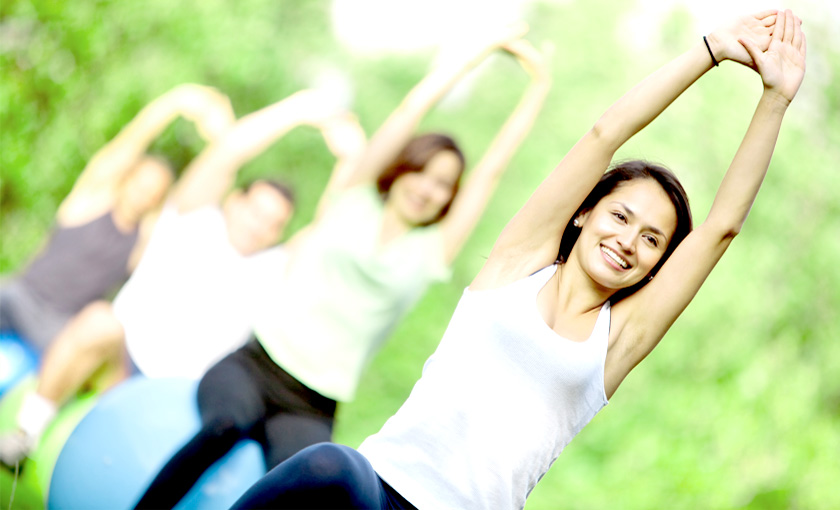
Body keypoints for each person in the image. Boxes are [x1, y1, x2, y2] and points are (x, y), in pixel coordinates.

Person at [229, 9, 807, 510]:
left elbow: (720, 229)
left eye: (653, 240)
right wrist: (709, 50)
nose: (629, 240)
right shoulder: (516, 265)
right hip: (376, 488)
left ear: (656, 266)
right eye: (620, 216)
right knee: (331, 464)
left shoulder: (617, 340)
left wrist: (776, 99)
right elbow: (603, 135)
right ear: (583, 214)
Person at [133, 26, 551, 510]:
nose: (428, 189)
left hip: (311, 403)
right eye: (423, 172)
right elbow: (409, 111)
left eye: (444, 185)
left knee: (311, 489)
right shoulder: (355, 195)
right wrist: (474, 54)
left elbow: (491, 171)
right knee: (225, 426)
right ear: (403, 168)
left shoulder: (432, 250)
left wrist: (538, 89)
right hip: (255, 365)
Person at [0, 89, 344, 467]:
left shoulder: (274, 267)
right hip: (117, 369)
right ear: (235, 201)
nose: (259, 226)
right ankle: (25, 434)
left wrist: (350, 158)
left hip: (177, 405)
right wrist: (297, 110)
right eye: (256, 212)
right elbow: (228, 151)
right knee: (99, 319)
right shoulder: (192, 217)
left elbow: (332, 224)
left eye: (273, 224)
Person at [0, 83, 233, 353]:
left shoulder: (143, 239)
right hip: (19, 295)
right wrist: (177, 101)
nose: (144, 194)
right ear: (125, 178)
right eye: (141, 184)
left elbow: (207, 188)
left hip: (58, 327)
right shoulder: (92, 201)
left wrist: (224, 136)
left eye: (154, 192)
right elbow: (133, 139)